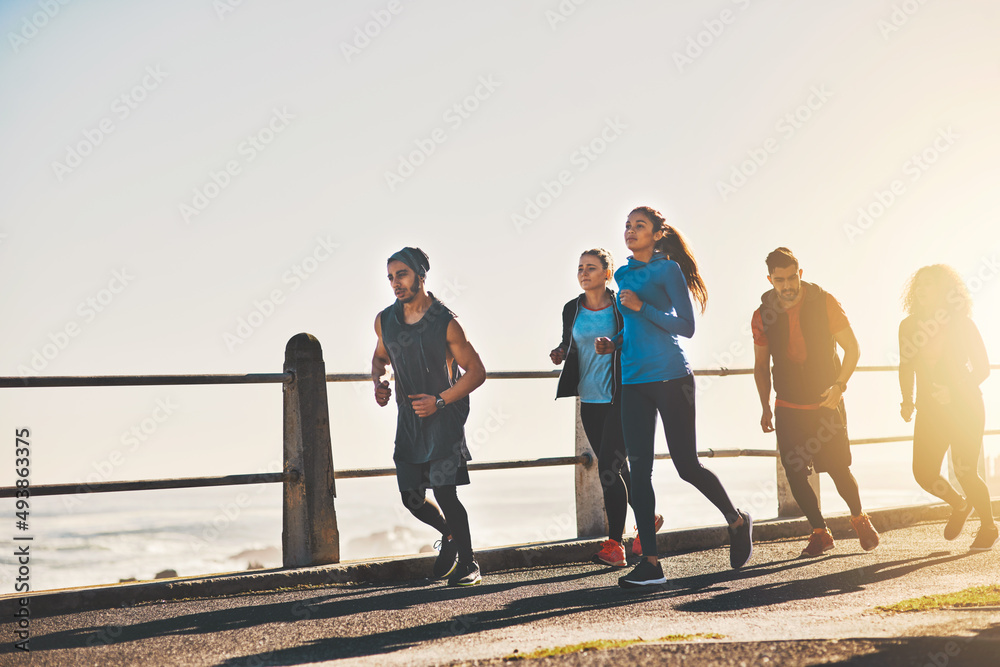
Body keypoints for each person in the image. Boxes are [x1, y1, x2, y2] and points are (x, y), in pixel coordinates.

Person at [600, 206, 753, 588]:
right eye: (627, 226)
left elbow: (686, 326)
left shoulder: (668, 271)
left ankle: (736, 519)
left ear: (656, 234)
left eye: (639, 226)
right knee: (639, 470)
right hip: (633, 381)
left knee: (687, 465)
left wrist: (642, 306)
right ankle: (652, 563)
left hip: (672, 377)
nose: (631, 231)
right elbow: (635, 329)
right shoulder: (622, 274)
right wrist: (614, 343)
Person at [752, 247, 880, 557]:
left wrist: (839, 385)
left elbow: (853, 348)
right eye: (780, 279)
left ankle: (859, 517)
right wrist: (765, 406)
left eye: (792, 277)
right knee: (795, 471)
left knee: (838, 468)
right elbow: (760, 365)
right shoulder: (762, 316)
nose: (787, 285)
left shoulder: (824, 301)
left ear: (800, 273)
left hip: (826, 400)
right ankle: (820, 532)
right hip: (788, 405)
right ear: (770, 279)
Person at [371, 247, 487, 586]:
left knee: (445, 491)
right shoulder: (385, 321)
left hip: (444, 416)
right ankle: (449, 534)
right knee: (411, 497)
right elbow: (380, 358)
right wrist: (379, 383)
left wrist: (439, 400)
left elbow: (477, 372)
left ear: (421, 276)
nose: (395, 283)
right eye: (391, 277)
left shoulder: (446, 322)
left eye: (402, 274)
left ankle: (469, 565)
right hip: (408, 420)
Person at [551, 249, 656, 568]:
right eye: (580, 268)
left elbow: (640, 340)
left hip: (621, 397)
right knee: (617, 467)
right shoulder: (572, 308)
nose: (583, 273)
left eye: (591, 268)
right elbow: (569, 343)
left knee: (607, 468)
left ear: (607, 274)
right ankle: (649, 520)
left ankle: (615, 545)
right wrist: (559, 351)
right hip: (589, 398)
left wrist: (616, 344)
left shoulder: (621, 305)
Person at [898, 264, 997, 551]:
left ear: (944, 291)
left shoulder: (962, 323)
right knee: (923, 472)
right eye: (919, 284)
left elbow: (982, 368)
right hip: (930, 410)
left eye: (929, 284)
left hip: (964, 407)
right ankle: (960, 504)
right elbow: (906, 366)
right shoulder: (908, 326)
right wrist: (907, 400)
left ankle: (989, 527)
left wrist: (954, 390)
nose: (921, 289)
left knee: (965, 470)